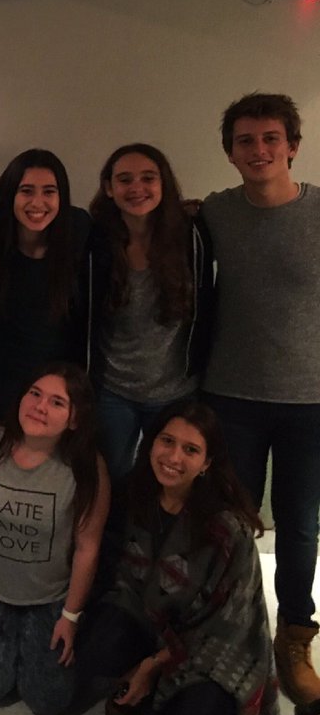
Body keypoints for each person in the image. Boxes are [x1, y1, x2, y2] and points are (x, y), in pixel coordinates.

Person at [200, 92, 320, 705]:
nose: (259, 150)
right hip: (232, 396)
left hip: (309, 401)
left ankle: (294, 635)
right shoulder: (216, 212)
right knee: (231, 521)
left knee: (299, 524)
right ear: (230, 152)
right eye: (245, 140)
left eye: (271, 138)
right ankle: (233, 623)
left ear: (292, 146)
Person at [82, 401, 278, 715]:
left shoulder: (228, 528)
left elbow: (228, 625)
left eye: (191, 450)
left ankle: (154, 684)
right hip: (151, 619)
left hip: (213, 641)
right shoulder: (135, 494)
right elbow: (121, 579)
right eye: (167, 441)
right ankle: (143, 682)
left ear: (207, 463)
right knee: (95, 646)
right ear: (151, 443)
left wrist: (153, 664)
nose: (173, 457)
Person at [0, 363, 109, 715]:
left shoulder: (87, 467)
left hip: (50, 596)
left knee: (49, 700)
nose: (40, 406)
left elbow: (88, 547)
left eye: (57, 402)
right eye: (35, 394)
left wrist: (70, 616)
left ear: (74, 419)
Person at [87, 144, 214, 480]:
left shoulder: (193, 235)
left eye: (148, 178)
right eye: (124, 179)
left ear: (163, 184)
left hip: (176, 391)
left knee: (169, 482)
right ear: (109, 188)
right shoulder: (94, 242)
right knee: (109, 479)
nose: (137, 188)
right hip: (112, 391)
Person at [0, 149, 90, 425]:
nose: (37, 202)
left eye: (49, 192)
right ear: (10, 194)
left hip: (57, 383)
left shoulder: (78, 230)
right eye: (26, 191)